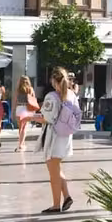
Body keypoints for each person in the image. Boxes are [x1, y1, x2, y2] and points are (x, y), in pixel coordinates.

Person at [34, 67, 78, 213]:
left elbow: (46, 118)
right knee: (56, 168)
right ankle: (66, 196)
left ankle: (56, 204)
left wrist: (30, 117)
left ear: (53, 80)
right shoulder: (72, 95)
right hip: (66, 135)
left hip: (53, 137)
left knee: (53, 172)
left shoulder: (51, 97)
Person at [13, 75, 37, 152]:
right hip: (26, 109)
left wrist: (13, 110)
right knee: (24, 127)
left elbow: (15, 101)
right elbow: (34, 99)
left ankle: (22, 143)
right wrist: (34, 110)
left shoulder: (18, 90)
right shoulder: (30, 89)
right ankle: (21, 145)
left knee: (20, 127)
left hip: (19, 108)